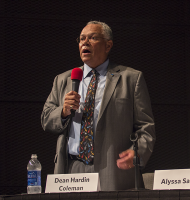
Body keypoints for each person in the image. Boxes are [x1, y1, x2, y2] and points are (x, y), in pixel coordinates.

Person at [41, 21, 155, 191]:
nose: (84, 43)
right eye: (81, 39)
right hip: (72, 169)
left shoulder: (130, 78)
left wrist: (137, 153)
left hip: (113, 170)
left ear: (108, 45)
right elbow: (46, 118)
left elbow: (146, 127)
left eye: (92, 38)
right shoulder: (63, 80)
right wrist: (64, 112)